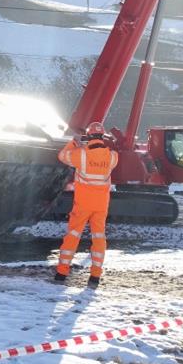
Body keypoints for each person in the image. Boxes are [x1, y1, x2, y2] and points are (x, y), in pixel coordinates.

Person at [54, 122, 119, 288]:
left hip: (83, 204)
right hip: (101, 206)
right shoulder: (112, 157)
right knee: (99, 238)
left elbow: (62, 156)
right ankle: (95, 276)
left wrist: (74, 141)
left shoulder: (81, 154)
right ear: (103, 137)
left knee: (73, 235)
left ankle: (62, 273)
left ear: (88, 137)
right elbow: (108, 157)